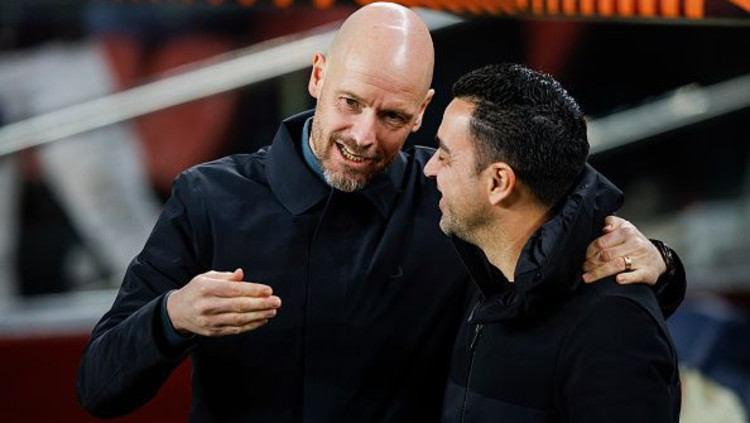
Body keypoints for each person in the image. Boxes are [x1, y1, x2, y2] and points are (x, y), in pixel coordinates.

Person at [77, 3, 684, 422]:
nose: (364, 135)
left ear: (422, 111)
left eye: (392, 116)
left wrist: (657, 263)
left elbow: (553, 236)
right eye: (350, 102)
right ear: (318, 76)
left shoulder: (448, 196)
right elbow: (99, 388)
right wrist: (171, 316)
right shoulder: (209, 197)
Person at [426, 64, 681, 422]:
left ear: (498, 182)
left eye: (444, 155)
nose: (429, 168)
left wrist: (665, 264)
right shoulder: (485, 272)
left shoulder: (613, 327)